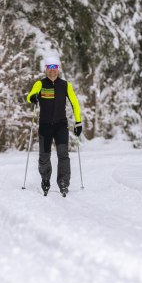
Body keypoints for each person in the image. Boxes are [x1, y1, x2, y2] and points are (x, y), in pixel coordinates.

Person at [26, 56, 82, 196]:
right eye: (50, 68)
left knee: (63, 155)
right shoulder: (40, 84)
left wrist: (78, 122)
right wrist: (33, 97)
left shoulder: (65, 85)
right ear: (46, 69)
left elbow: (75, 103)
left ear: (58, 69)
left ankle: (63, 182)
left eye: (55, 68)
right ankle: (45, 179)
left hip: (61, 125)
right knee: (44, 156)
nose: (52, 71)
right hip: (45, 125)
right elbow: (30, 95)